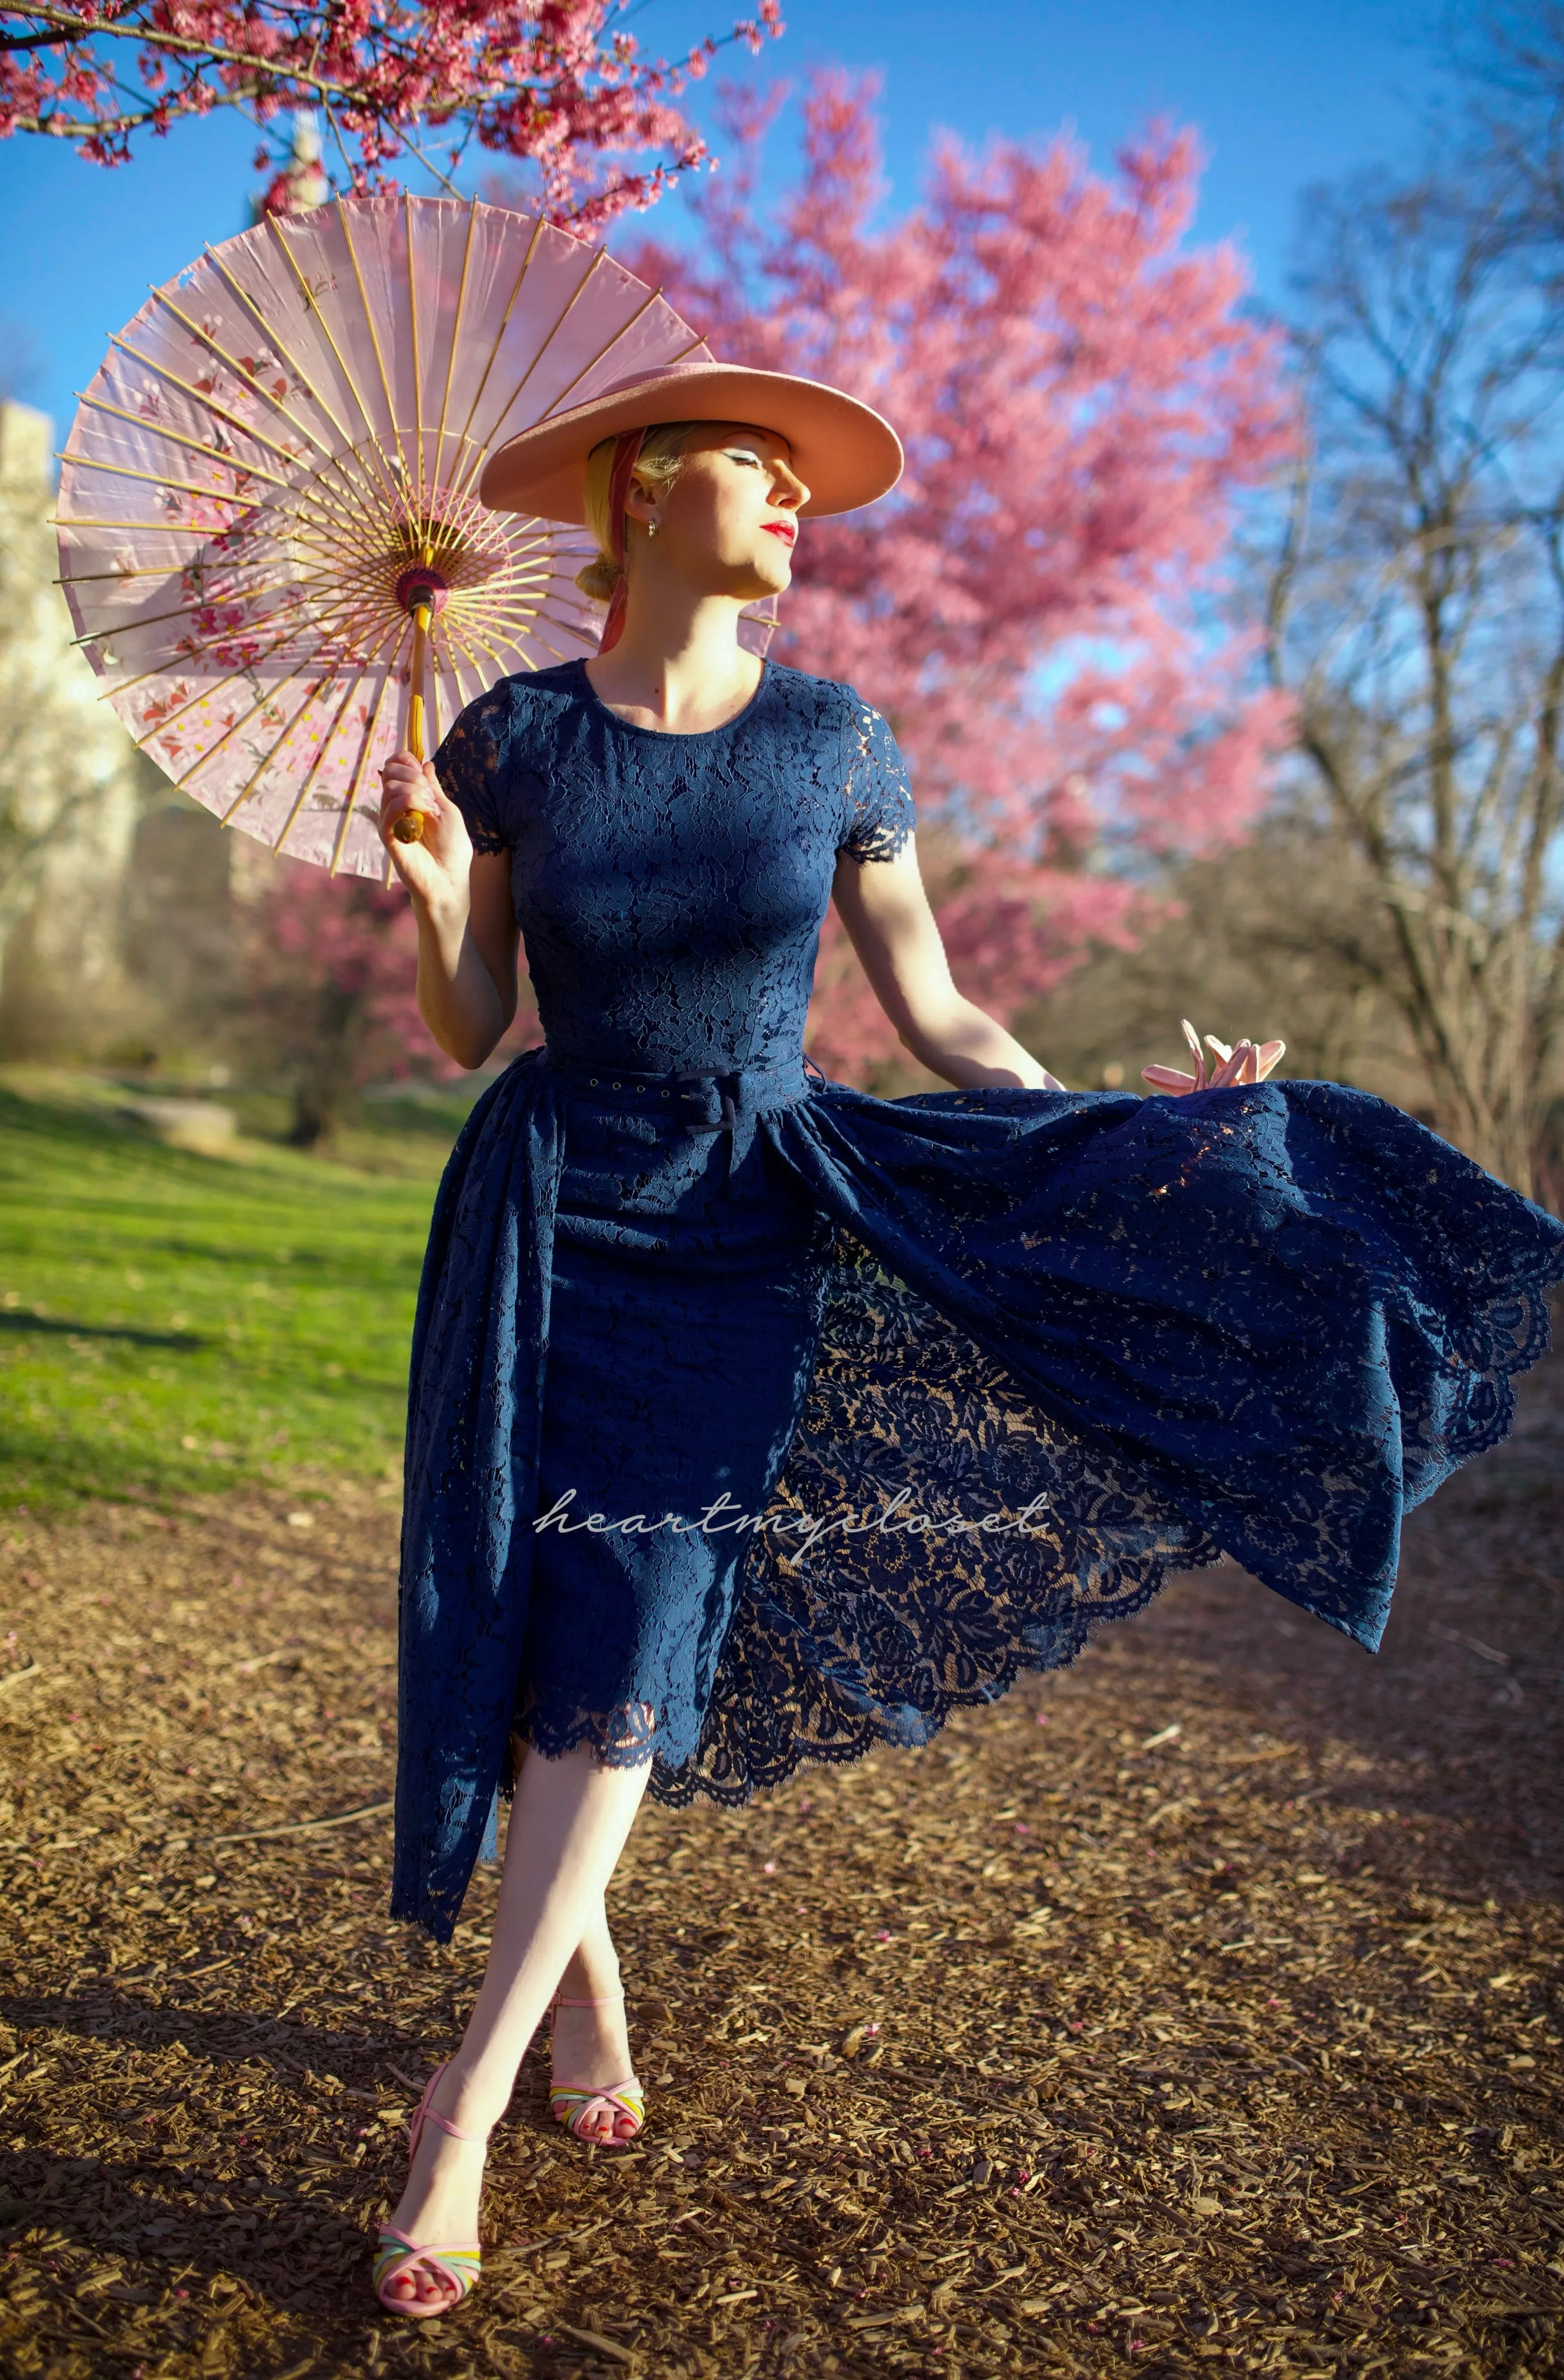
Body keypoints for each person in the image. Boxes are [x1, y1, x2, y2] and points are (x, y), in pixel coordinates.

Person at [370, 360, 1563, 2317]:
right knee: (538, 1638)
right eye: (765, 476)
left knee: (642, 1634)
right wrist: (434, 897)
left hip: (741, 1235)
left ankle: (464, 2112)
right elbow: (470, 1013)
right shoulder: (511, 739)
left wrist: (1120, 1120)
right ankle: (583, 2021)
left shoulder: (836, 740)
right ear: (652, 489)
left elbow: (939, 1012)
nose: (799, 511)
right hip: (545, 1217)